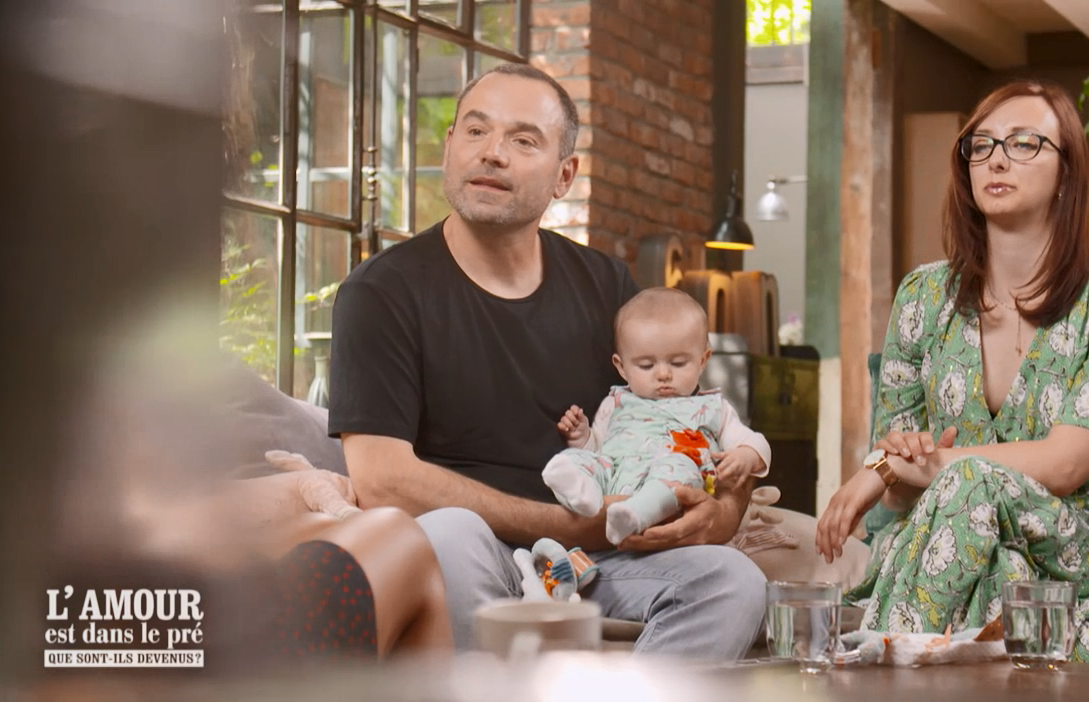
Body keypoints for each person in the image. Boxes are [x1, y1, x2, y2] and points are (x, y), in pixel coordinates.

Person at [327, 63, 765, 659]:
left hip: (596, 562)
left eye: (522, 140)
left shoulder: (606, 286)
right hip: (476, 557)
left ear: (565, 175)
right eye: (475, 132)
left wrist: (720, 513)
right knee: (448, 534)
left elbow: (688, 421)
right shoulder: (382, 293)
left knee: (733, 580)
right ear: (450, 145)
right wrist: (568, 524)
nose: (492, 154)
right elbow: (380, 480)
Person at [813, 78, 1089, 664]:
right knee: (997, 580)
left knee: (969, 485)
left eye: (1024, 144)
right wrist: (891, 465)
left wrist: (903, 467)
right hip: (944, 554)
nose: (996, 159)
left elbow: (1064, 465)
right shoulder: (922, 297)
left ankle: (877, 667)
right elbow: (897, 496)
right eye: (981, 145)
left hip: (1073, 552)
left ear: (1067, 171)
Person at [544, 287, 771, 545]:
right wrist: (581, 436)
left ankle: (635, 514)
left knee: (682, 468)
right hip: (616, 477)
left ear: (703, 359)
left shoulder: (713, 407)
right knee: (581, 460)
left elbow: (757, 442)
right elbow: (598, 448)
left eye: (677, 363)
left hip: (673, 490)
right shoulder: (616, 402)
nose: (663, 374)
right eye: (646, 365)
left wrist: (746, 455)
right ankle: (583, 494)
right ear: (621, 366)